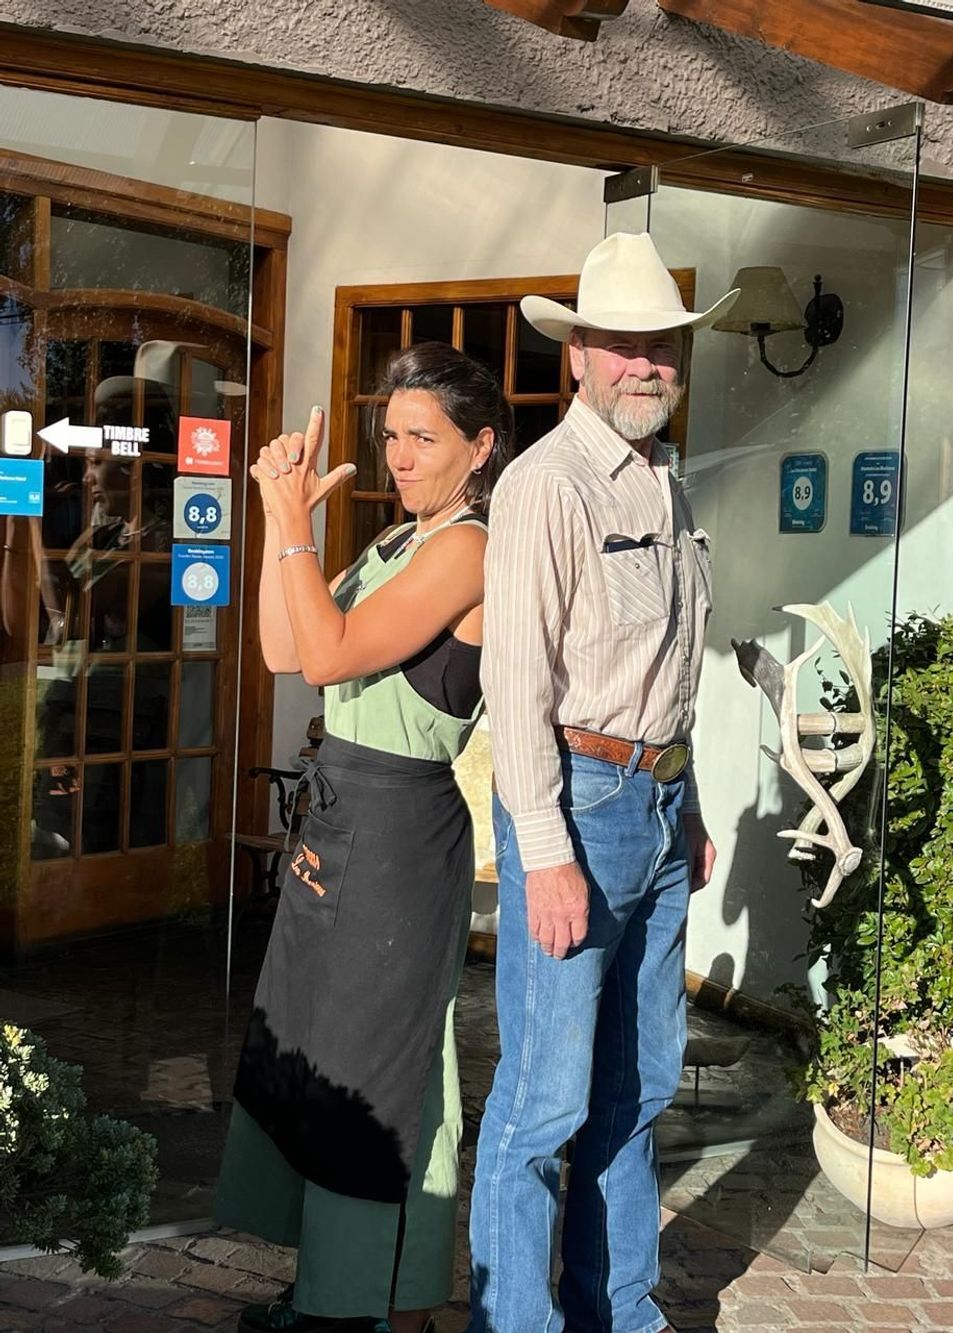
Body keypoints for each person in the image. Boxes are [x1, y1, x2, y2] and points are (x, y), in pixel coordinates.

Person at [468, 232, 740, 1333]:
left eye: (662, 346)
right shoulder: (546, 484)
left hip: (659, 806)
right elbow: (516, 683)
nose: (645, 365)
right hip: (576, 805)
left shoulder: (668, 482)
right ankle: (514, 1322)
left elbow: (670, 667)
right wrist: (543, 851)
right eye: (621, 345)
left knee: (639, 1090)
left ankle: (619, 1312)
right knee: (544, 1100)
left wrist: (693, 799)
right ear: (576, 353)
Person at [215, 342, 512, 1333]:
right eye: (391, 436)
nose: (401, 456)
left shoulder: (468, 549)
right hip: (338, 821)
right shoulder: (391, 543)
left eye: (424, 437)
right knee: (315, 1051)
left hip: (397, 837)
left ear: (480, 447)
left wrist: (297, 526)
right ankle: (333, 1288)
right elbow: (281, 647)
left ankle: (374, 1303)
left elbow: (329, 651)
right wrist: (278, 519)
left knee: (384, 1067)